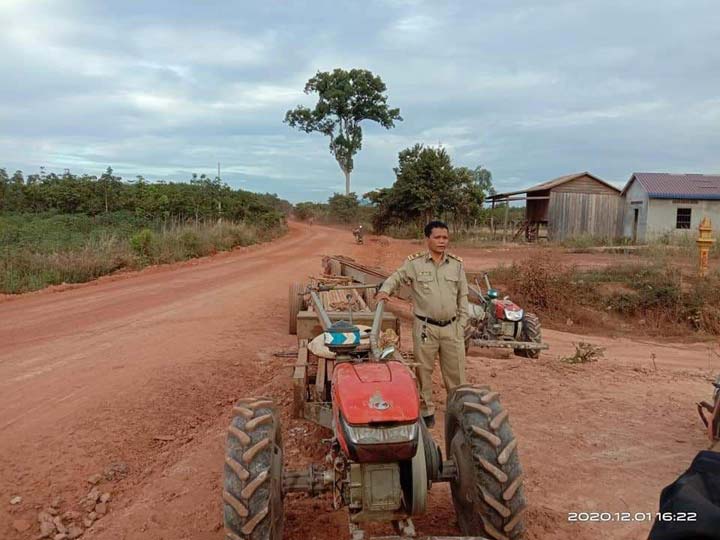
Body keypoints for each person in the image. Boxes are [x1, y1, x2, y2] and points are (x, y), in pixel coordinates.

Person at [375, 220, 468, 427]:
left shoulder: (456, 264)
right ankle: (427, 411)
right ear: (428, 239)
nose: (442, 241)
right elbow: (396, 277)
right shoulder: (414, 264)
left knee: (457, 373)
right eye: (437, 237)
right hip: (425, 327)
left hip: (452, 328)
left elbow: (463, 296)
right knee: (424, 371)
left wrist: (462, 323)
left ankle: (458, 410)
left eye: (445, 237)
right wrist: (384, 291)